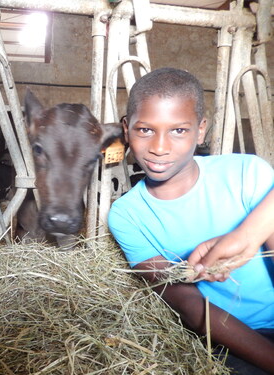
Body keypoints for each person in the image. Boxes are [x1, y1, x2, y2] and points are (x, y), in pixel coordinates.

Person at [108, 67, 274, 374]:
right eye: (145, 130)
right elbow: (190, 305)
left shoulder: (247, 173)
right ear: (126, 129)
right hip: (233, 339)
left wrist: (246, 235)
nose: (159, 147)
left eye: (179, 130)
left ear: (200, 130)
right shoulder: (126, 216)